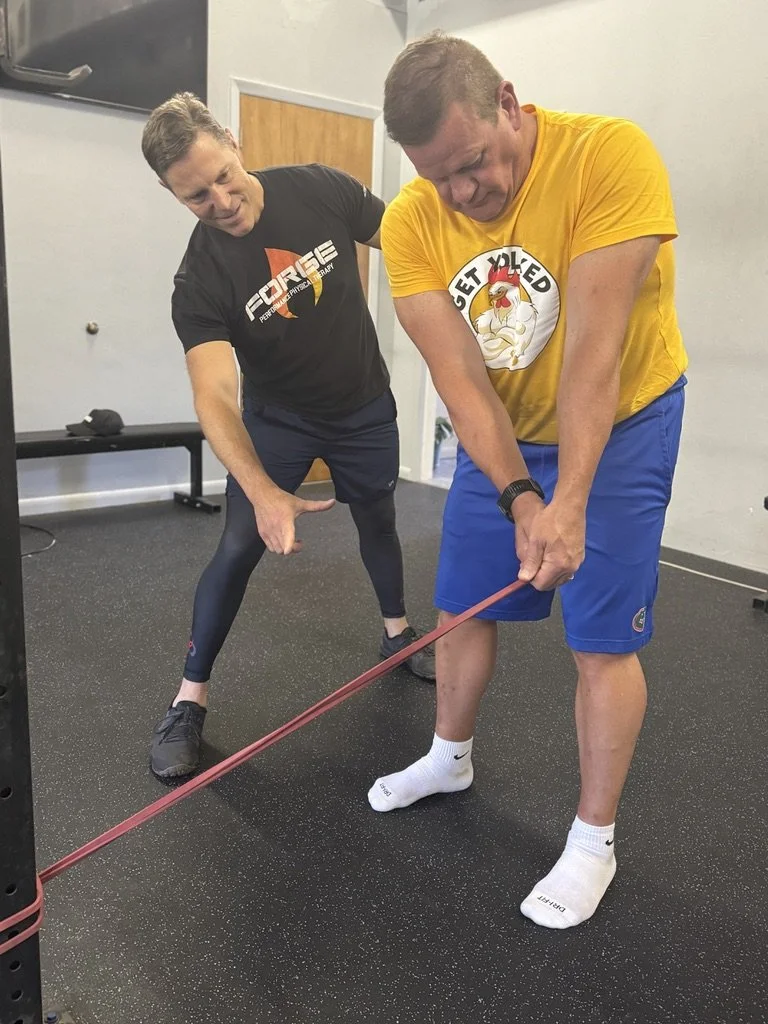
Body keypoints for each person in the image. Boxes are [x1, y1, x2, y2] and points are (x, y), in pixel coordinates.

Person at [368, 33, 688, 930]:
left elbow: (595, 352)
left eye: (473, 162)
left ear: (507, 101)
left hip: (623, 418)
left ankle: (594, 841)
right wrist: (520, 496)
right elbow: (460, 379)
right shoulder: (410, 222)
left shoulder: (608, 156)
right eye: (440, 177)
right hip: (507, 431)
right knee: (466, 605)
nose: (464, 193)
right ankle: (449, 755)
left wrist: (570, 500)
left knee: (598, 636)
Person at [140, 93, 435, 780]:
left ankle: (397, 633)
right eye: (195, 195)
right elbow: (213, 393)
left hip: (363, 404)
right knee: (239, 542)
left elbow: (409, 238)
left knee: (379, 518)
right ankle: (189, 699)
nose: (220, 199)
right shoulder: (200, 279)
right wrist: (261, 488)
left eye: (222, 176)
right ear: (172, 195)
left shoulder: (320, 189)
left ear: (233, 142)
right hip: (279, 420)